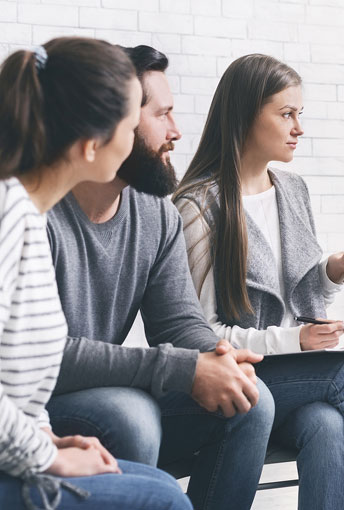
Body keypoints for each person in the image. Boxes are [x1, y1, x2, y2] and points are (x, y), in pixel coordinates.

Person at [173, 53, 344, 510]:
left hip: (290, 378)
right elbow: (202, 337)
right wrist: (295, 340)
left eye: (299, 114)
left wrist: (333, 271)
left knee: (328, 425)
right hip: (237, 376)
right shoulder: (198, 207)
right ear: (244, 115)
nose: (298, 127)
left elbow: (303, 297)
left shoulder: (292, 189)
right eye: (286, 114)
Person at [43, 45, 272, 510]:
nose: (176, 132)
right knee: (131, 416)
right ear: (109, 123)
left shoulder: (156, 216)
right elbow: (39, 355)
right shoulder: (36, 210)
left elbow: (177, 323)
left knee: (251, 399)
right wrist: (180, 368)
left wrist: (216, 356)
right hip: (35, 399)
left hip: (107, 381)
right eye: (162, 114)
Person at [0, 37, 191, 510]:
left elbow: (16, 385)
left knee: (163, 489)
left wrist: (48, 438)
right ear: (91, 146)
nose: (135, 141)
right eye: (130, 126)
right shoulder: (9, 214)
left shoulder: (27, 213)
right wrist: (45, 453)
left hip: (22, 450)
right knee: (165, 503)